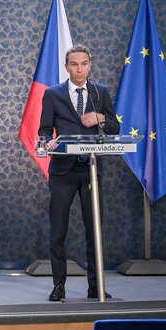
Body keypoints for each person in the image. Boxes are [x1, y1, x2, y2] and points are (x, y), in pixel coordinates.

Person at [38, 44, 119, 302]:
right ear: (66, 67)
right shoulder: (53, 94)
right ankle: (58, 286)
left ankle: (96, 286)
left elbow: (115, 127)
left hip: (91, 170)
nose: (79, 69)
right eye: (74, 64)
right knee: (58, 231)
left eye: (84, 63)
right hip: (63, 171)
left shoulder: (99, 92)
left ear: (90, 65)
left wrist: (101, 118)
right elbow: (44, 129)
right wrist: (46, 142)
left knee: (94, 231)